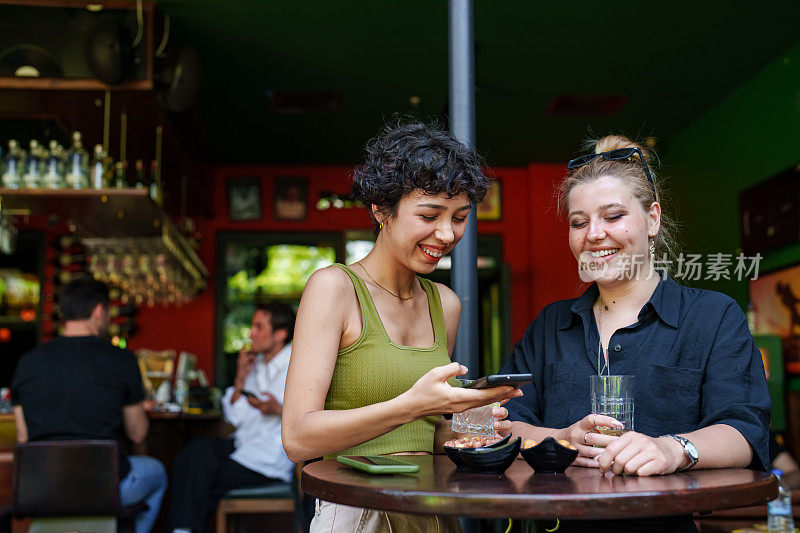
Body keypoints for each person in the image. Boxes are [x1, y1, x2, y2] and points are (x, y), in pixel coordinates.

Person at [496, 134, 772, 532]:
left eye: (612, 217)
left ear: (653, 219)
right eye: (578, 222)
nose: (593, 234)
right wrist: (562, 439)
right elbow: (507, 423)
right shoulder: (551, 325)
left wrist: (673, 448)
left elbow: (744, 431)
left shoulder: (712, 316)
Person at [282, 121, 522, 532]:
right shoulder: (335, 289)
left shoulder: (443, 303)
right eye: (429, 215)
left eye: (460, 217)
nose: (446, 234)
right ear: (381, 209)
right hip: (357, 513)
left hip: (431, 510)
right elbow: (298, 438)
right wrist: (410, 405)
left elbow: (429, 433)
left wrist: (474, 421)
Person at [12, 277, 167, 533]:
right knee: (157, 473)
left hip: (43, 489)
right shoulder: (122, 360)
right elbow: (137, 433)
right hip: (104, 488)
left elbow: (23, 436)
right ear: (98, 311)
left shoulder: (28, 362)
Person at [169, 302, 296, 533]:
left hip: (268, 460)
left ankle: (183, 529)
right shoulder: (255, 364)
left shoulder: (297, 365)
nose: (251, 333)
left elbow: (313, 413)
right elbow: (235, 417)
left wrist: (279, 409)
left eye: (258, 327)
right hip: (243, 446)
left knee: (195, 477)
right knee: (193, 453)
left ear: (280, 334)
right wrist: (240, 378)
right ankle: (184, 529)